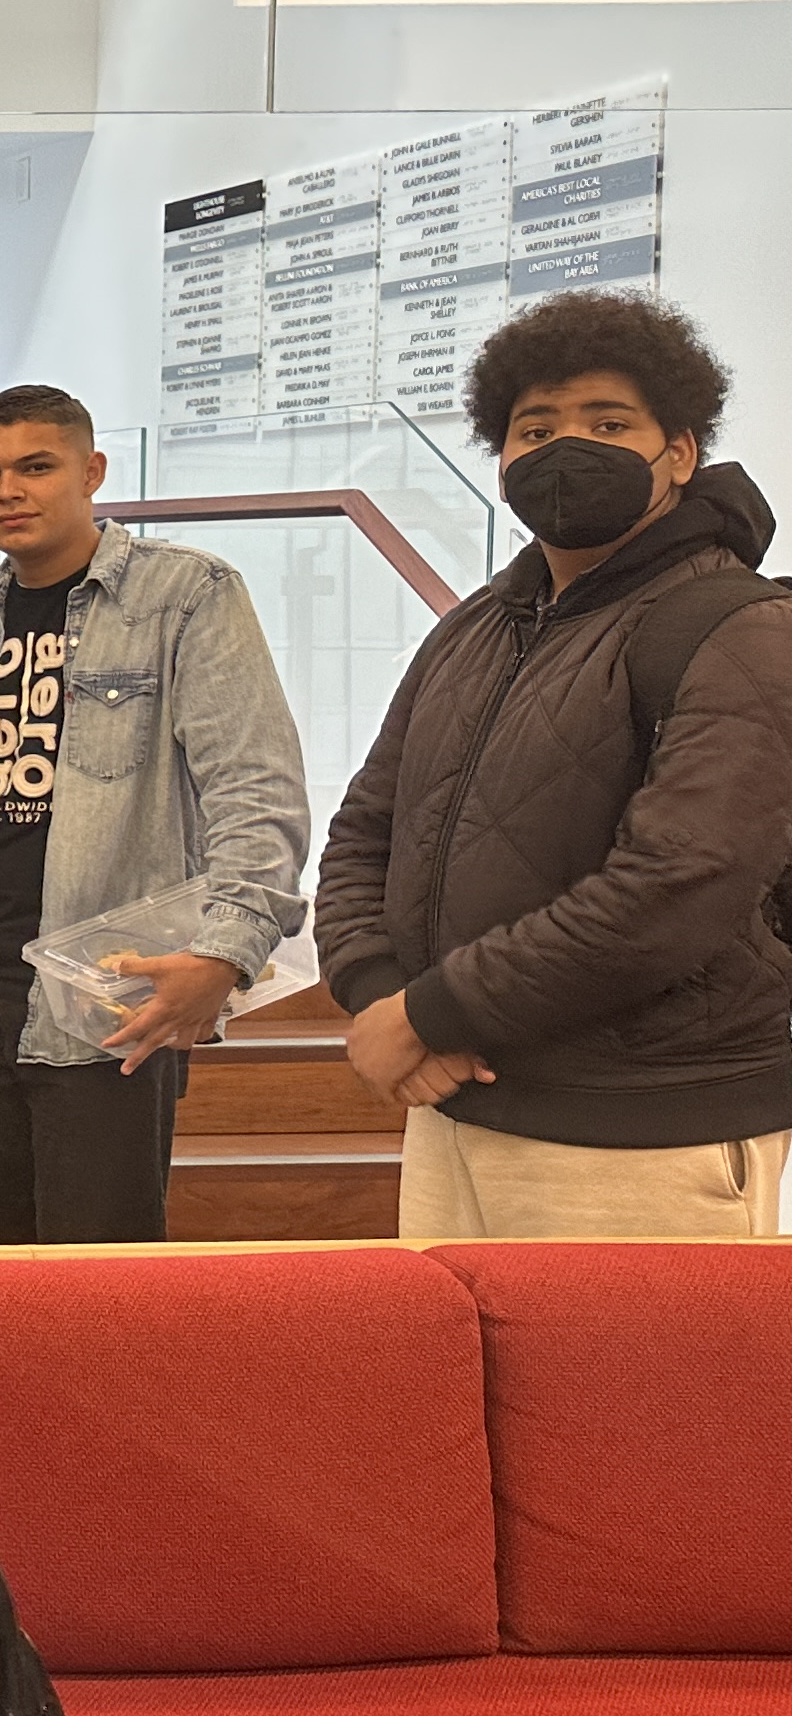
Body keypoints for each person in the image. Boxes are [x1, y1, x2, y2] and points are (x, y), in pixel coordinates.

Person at [320, 289, 792, 1237]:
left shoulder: (741, 627)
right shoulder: (474, 627)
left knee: (633, 1351)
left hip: (643, 1127)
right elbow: (365, 830)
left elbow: (677, 885)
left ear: (681, 452)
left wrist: (431, 1013)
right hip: (453, 1103)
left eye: (609, 423)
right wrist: (379, 994)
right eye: (534, 430)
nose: (565, 448)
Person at [0, 385, 310, 1244]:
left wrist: (225, 952)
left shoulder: (185, 593)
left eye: (36, 467)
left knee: (100, 1285)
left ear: (92, 472)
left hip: (102, 1002)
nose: (9, 491)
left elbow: (255, 789)